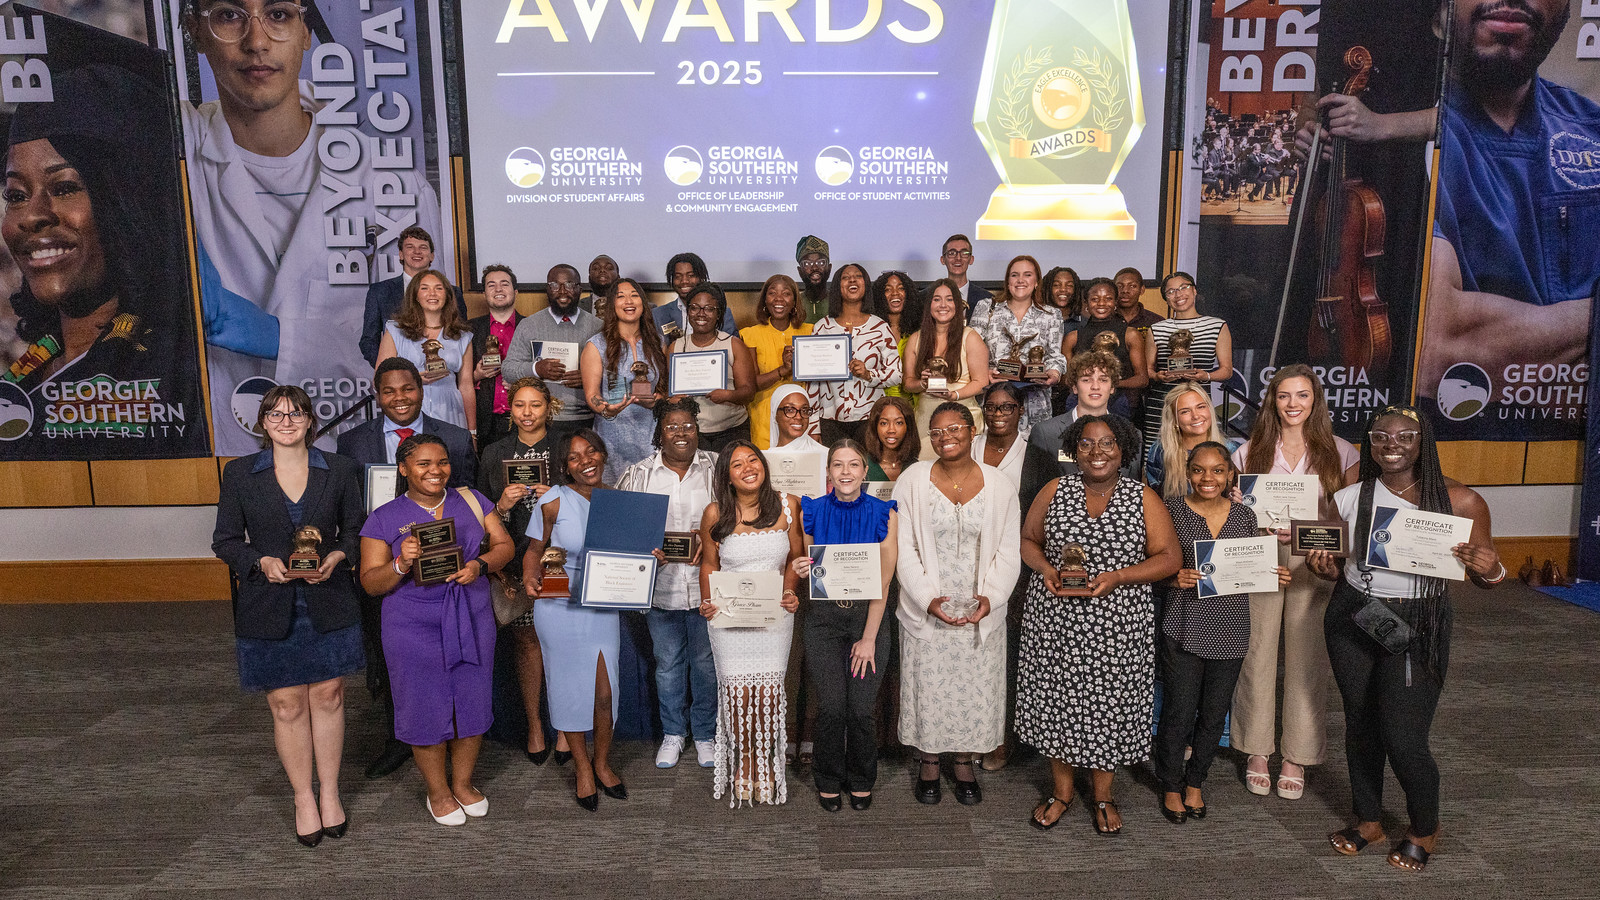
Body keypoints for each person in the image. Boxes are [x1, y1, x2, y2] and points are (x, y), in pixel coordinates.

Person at [181, 0, 447, 456]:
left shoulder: (392, 184)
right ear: (195, 32)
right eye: (229, 15)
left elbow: (430, 343)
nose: (257, 40)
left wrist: (278, 336)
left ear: (308, 33)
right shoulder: (174, 157)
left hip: (354, 453)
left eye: (279, 14)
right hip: (218, 457)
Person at [1308, 405, 1503, 872]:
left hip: (1419, 622)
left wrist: (1489, 568)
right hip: (1354, 613)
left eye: (1405, 437)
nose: (1391, 445)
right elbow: (1336, 564)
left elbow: (1490, 574)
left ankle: (1424, 826)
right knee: (1360, 723)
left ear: (1422, 442)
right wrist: (1325, 567)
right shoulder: (1350, 496)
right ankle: (1369, 820)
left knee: (1404, 735)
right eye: (1381, 437)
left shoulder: (1462, 501)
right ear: (1370, 442)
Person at [1414, 0, 1596, 410]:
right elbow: (1438, 348)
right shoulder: (1395, 139)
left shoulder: (1593, 131)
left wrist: (1511, 337)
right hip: (1443, 449)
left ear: (1567, 9)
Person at [212, 385, 365, 846]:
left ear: (310, 421)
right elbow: (225, 541)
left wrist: (339, 556)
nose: (285, 421)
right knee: (286, 703)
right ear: (262, 422)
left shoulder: (338, 468)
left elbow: (356, 529)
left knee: (329, 696)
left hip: (327, 596)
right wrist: (260, 562)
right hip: (269, 601)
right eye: (275, 414)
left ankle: (331, 792)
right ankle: (303, 797)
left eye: (295, 413)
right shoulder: (239, 474)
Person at [1017, 414, 1180, 833]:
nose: (1097, 452)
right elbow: (1028, 541)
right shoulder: (1054, 489)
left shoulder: (1142, 496)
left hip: (1119, 623)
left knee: (1108, 705)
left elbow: (1169, 559)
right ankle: (1062, 792)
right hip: (1055, 620)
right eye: (1087, 444)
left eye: (1107, 443)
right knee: (1058, 702)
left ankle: (1103, 796)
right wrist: (1046, 570)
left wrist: (1120, 576)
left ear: (1123, 450)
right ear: (1074, 450)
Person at [358, 434, 514, 826]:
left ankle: (462, 783)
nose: (435, 471)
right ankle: (438, 791)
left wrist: (480, 565)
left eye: (441, 462)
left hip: (471, 613)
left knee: (472, 699)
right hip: (412, 624)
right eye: (424, 463)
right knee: (423, 704)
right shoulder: (383, 517)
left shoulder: (473, 500)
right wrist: (399, 563)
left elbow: (505, 545)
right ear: (404, 469)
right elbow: (370, 583)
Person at [336, 357, 476, 780]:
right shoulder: (352, 442)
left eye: (408, 388)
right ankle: (399, 736)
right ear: (377, 395)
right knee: (392, 661)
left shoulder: (453, 437)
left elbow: (464, 502)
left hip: (447, 573)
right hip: (384, 562)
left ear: (422, 389)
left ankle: (453, 735)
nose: (400, 398)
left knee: (454, 658)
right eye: (389, 390)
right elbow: (350, 506)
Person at [1230, 363, 1360, 801]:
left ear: (1315, 401)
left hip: (1313, 561)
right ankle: (1255, 749)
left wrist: (1315, 534)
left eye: (1302, 395)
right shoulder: (1248, 452)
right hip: (1261, 556)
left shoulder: (1342, 453)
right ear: (1272, 401)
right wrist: (1251, 522)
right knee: (1257, 650)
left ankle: (1296, 756)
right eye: (1284, 396)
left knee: (1308, 658)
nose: (1292, 404)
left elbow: (1347, 517)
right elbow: (1233, 511)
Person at [893, 402, 1021, 806]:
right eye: (937, 431)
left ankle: (964, 761)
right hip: (927, 606)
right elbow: (903, 548)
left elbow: (1008, 549)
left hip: (979, 610)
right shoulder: (912, 480)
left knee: (974, 690)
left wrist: (993, 597)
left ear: (972, 430)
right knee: (929, 688)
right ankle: (929, 761)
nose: (946, 436)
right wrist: (927, 598)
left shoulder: (1000, 484)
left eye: (955, 428)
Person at [1155, 442, 1290, 824]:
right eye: (1198, 470)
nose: (1207, 478)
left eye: (1217, 470)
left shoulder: (1245, 516)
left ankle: (1195, 781)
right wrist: (1171, 576)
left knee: (1214, 714)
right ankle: (1169, 783)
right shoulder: (1171, 511)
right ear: (1187, 471)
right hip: (1184, 624)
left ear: (1231, 474)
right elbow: (1152, 563)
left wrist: (1274, 574)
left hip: (1230, 626)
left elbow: (1253, 564)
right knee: (1179, 712)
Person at [523, 429, 629, 810]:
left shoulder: (618, 500)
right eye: (574, 456)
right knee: (569, 692)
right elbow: (535, 549)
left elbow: (631, 556)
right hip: (559, 604)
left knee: (604, 693)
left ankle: (602, 763)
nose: (585, 460)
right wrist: (530, 578)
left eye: (591, 452)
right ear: (564, 465)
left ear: (602, 455)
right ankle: (582, 768)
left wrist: (651, 560)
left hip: (602, 604)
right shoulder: (553, 500)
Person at [790, 440, 899, 811]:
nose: (846, 472)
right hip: (823, 621)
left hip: (868, 620)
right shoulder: (812, 511)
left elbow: (884, 582)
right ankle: (828, 778)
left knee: (861, 709)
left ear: (864, 472)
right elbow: (807, 563)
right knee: (833, 707)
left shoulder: (885, 512)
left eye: (854, 465)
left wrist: (868, 638)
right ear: (828, 472)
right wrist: (800, 568)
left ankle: (861, 778)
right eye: (838, 465)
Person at [698, 441, 805, 806]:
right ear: (727, 476)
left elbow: (795, 557)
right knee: (739, 695)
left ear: (763, 464)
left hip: (774, 616)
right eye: (737, 464)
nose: (748, 468)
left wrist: (791, 592)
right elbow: (709, 565)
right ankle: (745, 763)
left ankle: (767, 764)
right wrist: (707, 600)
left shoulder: (788, 505)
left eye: (753, 460)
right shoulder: (715, 513)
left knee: (769, 695)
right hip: (730, 621)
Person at [615, 398, 720, 771]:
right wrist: (643, 547)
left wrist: (710, 540)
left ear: (698, 429)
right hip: (659, 588)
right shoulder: (637, 475)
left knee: (707, 666)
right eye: (672, 426)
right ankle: (674, 733)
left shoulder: (718, 469)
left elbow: (741, 517)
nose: (681, 433)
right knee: (668, 665)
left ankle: (706, 734)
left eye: (688, 426)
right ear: (659, 432)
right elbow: (621, 532)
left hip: (708, 588)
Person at [476, 376, 562, 765]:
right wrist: (503, 504)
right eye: (519, 406)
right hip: (514, 560)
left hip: (560, 557)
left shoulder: (563, 448)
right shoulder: (494, 453)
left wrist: (559, 499)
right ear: (509, 410)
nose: (527, 413)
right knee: (527, 643)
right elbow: (480, 517)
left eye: (536, 405)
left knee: (561, 643)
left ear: (550, 408)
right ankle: (534, 726)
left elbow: (589, 497)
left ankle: (564, 728)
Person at [969, 381, 1053, 772]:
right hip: (964, 565)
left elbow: (1045, 524)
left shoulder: (1038, 458)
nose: (998, 414)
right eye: (992, 407)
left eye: (1007, 408)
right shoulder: (965, 449)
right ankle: (967, 732)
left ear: (1021, 411)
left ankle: (1001, 738)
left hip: (1015, 570)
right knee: (969, 655)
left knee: (1009, 658)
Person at [501, 263, 602, 453]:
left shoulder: (597, 327)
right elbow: (508, 370)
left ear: (580, 289)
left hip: (587, 420)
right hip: (541, 421)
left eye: (570, 284)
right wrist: (536, 369)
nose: (562, 291)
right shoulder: (529, 325)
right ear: (547, 289)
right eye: (555, 285)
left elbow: (614, 373)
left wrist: (590, 379)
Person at [580, 277, 665, 482]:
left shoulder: (658, 341)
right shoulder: (596, 345)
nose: (629, 301)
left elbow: (664, 390)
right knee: (616, 501)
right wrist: (605, 409)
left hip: (651, 437)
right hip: (612, 439)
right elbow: (592, 396)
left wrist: (655, 401)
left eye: (635, 296)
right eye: (621, 296)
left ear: (643, 304)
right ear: (612, 305)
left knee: (652, 498)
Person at [810, 264, 901, 446]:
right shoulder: (822, 327)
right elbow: (813, 381)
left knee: (867, 471)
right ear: (837, 286)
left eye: (858, 276)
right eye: (845, 277)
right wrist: (813, 426)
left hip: (870, 417)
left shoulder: (880, 327)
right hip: (829, 418)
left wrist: (869, 374)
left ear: (865, 284)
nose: (852, 279)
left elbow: (897, 374)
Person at [376, 269, 476, 434]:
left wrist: (472, 432)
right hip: (409, 409)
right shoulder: (395, 330)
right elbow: (379, 379)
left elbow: (466, 386)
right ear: (415, 295)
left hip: (450, 411)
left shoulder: (463, 336)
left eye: (438, 288)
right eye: (424, 288)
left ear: (447, 295)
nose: (432, 293)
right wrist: (411, 380)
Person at [972, 255, 1065, 429]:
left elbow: (1055, 356)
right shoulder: (987, 307)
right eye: (1015, 275)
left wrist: (1053, 373)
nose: (1020, 280)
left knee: (1032, 454)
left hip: (1035, 404)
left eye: (1027, 275)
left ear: (1037, 281)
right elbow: (969, 352)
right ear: (1007, 281)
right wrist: (984, 372)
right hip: (994, 401)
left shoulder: (1051, 315)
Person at [902, 277, 990, 457]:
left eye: (949, 299)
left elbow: (981, 382)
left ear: (958, 304)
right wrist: (922, 384)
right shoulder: (916, 339)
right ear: (929, 305)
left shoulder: (970, 337)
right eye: (937, 299)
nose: (943, 305)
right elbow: (908, 383)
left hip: (962, 415)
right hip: (926, 419)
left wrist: (953, 395)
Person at [1144, 272, 1232, 445]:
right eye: (1171, 291)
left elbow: (1226, 370)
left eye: (1183, 287)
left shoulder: (1217, 325)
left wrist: (1205, 376)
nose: (1178, 294)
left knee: (1199, 454)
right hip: (1162, 405)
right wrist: (1157, 376)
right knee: (1157, 458)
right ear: (1166, 298)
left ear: (1194, 291)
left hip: (1198, 407)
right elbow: (1147, 370)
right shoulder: (1156, 329)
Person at [360, 226, 469, 366]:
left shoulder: (453, 293)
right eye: (410, 247)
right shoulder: (380, 291)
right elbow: (368, 341)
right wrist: (389, 369)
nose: (417, 251)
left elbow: (461, 335)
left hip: (443, 373)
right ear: (400, 254)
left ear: (432, 256)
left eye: (423, 247)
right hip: (398, 380)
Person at [665, 282, 755, 450]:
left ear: (718, 313)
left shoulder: (733, 344)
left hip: (732, 430)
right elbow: (668, 392)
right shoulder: (675, 347)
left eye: (709, 308)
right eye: (695, 308)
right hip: (691, 432)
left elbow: (749, 392)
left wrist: (727, 395)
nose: (701, 314)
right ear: (688, 311)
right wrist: (672, 399)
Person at [1029, 350, 1136, 480]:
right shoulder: (1045, 433)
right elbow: (1033, 492)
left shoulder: (1132, 435)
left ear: (1112, 387)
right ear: (1074, 387)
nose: (1095, 386)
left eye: (1103, 380)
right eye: (1086, 380)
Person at [741, 274, 813, 449]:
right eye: (772, 293)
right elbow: (751, 384)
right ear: (765, 300)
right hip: (764, 421)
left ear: (795, 300)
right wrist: (783, 370)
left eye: (786, 293)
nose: (778, 299)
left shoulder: (811, 332)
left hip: (803, 419)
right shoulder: (750, 334)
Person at [1063, 278, 1148, 403]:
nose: (1101, 303)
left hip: (1120, 402)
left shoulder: (1130, 334)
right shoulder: (1072, 337)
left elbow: (1142, 379)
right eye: (1094, 299)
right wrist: (1089, 386)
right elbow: (1066, 379)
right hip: (1082, 401)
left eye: (1108, 298)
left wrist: (1109, 384)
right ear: (1086, 302)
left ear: (1115, 302)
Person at [1146, 381, 1237, 498]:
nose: (1195, 416)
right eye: (1185, 411)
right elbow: (1154, 499)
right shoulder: (1160, 450)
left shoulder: (1232, 449)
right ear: (1174, 419)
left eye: (1201, 407)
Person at [468, 264, 523, 448]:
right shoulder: (468, 330)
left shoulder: (531, 327)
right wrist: (476, 375)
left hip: (523, 419)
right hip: (483, 421)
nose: (498, 289)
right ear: (484, 294)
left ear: (515, 292)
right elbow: (455, 379)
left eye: (504, 284)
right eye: (491, 285)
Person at [655, 251, 737, 340]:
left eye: (691, 275)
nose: (684, 281)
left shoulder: (722, 313)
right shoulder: (658, 314)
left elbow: (731, 347)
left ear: (701, 278)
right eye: (678, 276)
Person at [874, 270, 920, 400]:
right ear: (879, 296)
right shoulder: (872, 331)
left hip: (913, 407)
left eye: (901, 288)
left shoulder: (918, 332)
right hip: (878, 404)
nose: (895, 293)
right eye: (888, 290)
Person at [862, 395, 919, 483]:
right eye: (884, 423)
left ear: (908, 427)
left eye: (899, 423)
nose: (891, 430)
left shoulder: (916, 467)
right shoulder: (863, 465)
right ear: (875, 427)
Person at [936, 234, 993, 310]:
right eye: (952, 253)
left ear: (971, 259)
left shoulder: (987, 299)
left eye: (964, 253)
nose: (958, 258)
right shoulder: (926, 297)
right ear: (942, 260)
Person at [794, 234, 832, 324]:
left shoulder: (840, 302)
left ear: (829, 268)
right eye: (807, 264)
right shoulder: (793, 304)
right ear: (799, 271)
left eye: (821, 262)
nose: (814, 267)